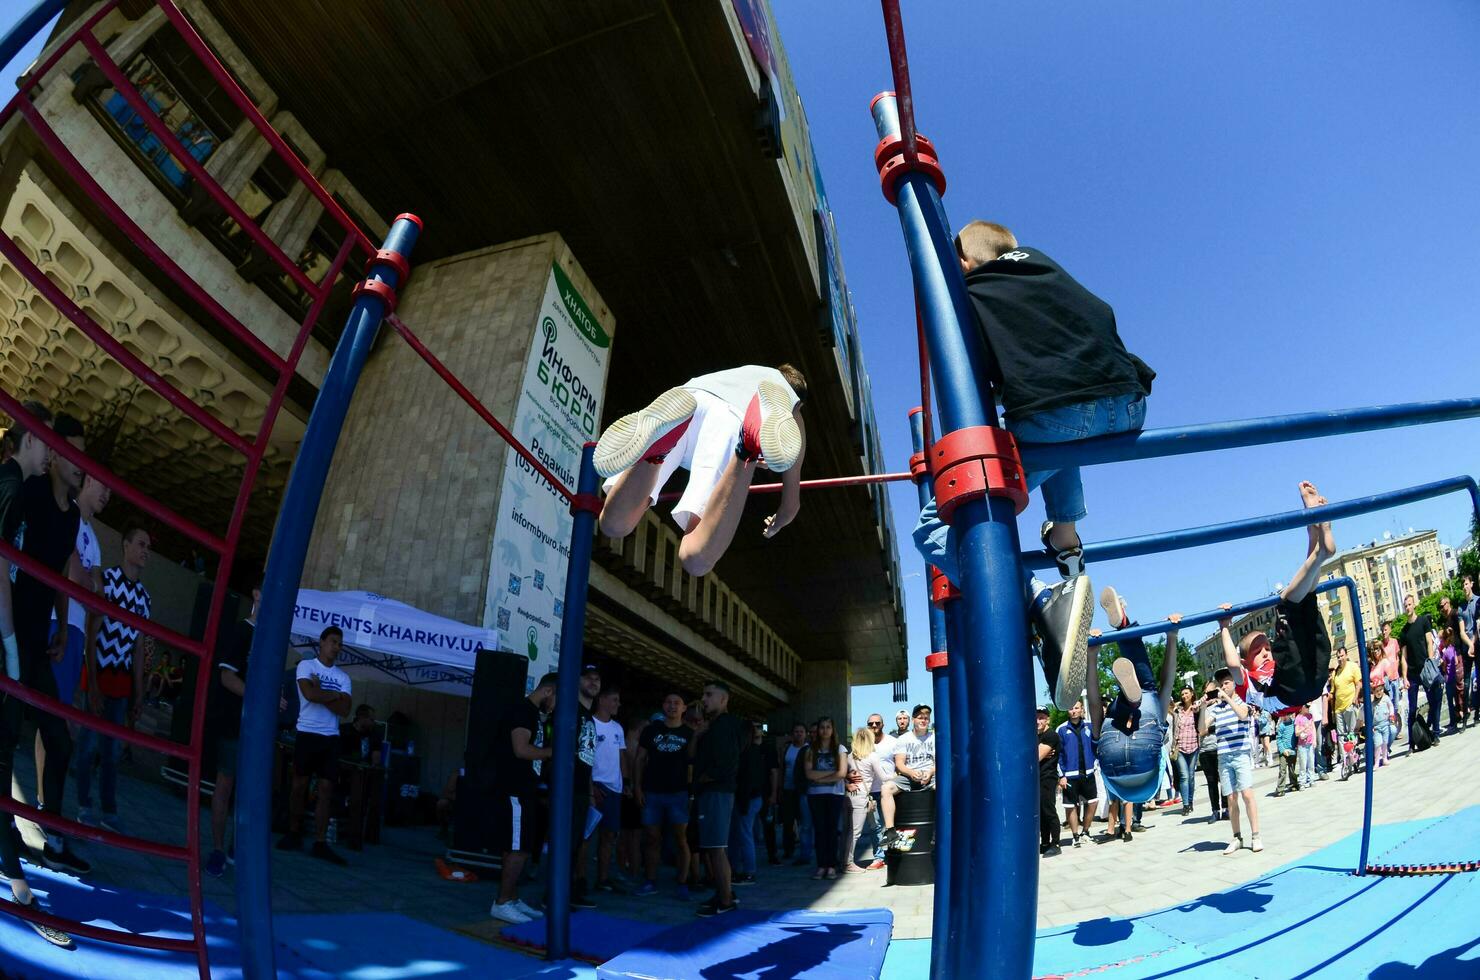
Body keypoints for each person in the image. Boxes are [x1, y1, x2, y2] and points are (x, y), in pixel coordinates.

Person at [951, 220, 1155, 579]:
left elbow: (981, 371)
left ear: (964, 262)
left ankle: (1038, 598)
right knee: (1058, 424)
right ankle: (1066, 541)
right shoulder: (1045, 267)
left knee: (935, 525)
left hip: (1059, 416)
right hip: (1130, 403)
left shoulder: (973, 290)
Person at [595, 365, 807, 577]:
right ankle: (747, 447)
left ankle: (656, 452)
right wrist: (775, 526)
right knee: (696, 559)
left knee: (613, 525)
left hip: (689, 397)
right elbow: (790, 506)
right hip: (731, 419)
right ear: (799, 403)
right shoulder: (792, 408)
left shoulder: (747, 371)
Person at [0, 404, 79, 946]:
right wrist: (6, 641)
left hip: (17, 639)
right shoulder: (13, 488)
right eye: (48, 443)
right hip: (6, 641)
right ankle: (22, 890)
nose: (52, 452)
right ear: (30, 442)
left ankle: (20, 874)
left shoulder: (40, 499)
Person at [1219, 482, 1338, 719]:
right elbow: (1232, 664)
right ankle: (1320, 552)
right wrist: (1224, 628)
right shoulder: (1246, 681)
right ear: (1246, 661)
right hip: (1288, 690)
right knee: (1286, 603)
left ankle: (1314, 527)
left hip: (1310, 674)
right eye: (1257, 651)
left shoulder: (1275, 666)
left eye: (1266, 647)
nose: (1265, 652)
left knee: (1305, 598)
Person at [76, 527, 153, 831]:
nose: (146, 550)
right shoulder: (105, 581)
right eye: (141, 543)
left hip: (122, 682)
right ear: (125, 545)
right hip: (99, 673)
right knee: (87, 745)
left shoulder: (144, 598)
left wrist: (138, 692)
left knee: (111, 751)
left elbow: (137, 647)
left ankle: (109, 809)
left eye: (148, 546)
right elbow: (92, 634)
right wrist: (93, 681)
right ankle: (84, 804)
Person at [1083, 586, 1180, 827]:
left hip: (1145, 752)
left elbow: (1167, 683)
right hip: (1112, 761)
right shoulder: (1116, 782)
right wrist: (1091, 655)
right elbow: (1095, 705)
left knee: (1151, 690)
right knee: (1117, 712)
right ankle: (1122, 623)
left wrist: (1172, 636)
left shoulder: (1151, 777)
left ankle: (1123, 623)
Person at [37, 473, 105, 803]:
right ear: (88, 481)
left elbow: (97, 594)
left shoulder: (95, 537)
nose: (107, 494)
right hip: (57, 621)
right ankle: (42, 801)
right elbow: (78, 577)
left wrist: (89, 585)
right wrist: (89, 586)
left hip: (77, 630)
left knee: (63, 713)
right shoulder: (70, 517)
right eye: (102, 484)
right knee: (53, 715)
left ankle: (48, 803)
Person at [277, 626, 352, 864]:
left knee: (326, 790)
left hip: (331, 737)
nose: (336, 647)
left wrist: (322, 691)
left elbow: (345, 709)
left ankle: (320, 842)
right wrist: (332, 694)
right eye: (333, 641)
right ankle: (294, 832)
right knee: (299, 785)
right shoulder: (306, 666)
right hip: (307, 733)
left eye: (340, 643)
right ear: (321, 642)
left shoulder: (344, 677)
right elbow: (308, 694)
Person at [488, 673, 556, 925]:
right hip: (514, 789)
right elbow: (521, 749)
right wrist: (552, 752)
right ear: (549, 691)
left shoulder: (533, 714)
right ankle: (503, 902)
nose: (556, 707)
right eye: (557, 699)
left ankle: (512, 898)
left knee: (521, 846)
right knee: (518, 848)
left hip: (524, 788)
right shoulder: (522, 710)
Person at [205, 582, 261, 878]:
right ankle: (217, 849)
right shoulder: (242, 631)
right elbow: (227, 677)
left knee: (248, 791)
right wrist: (260, 697)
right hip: (232, 721)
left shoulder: (270, 639)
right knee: (225, 785)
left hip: (257, 729)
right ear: (256, 593)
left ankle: (236, 848)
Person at [691, 680, 745, 916]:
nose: (704, 699)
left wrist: (705, 778)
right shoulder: (714, 726)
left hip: (716, 792)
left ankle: (725, 901)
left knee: (716, 847)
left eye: (709, 695)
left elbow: (728, 761)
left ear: (723, 699)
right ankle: (724, 894)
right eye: (703, 694)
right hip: (715, 792)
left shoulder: (725, 725)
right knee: (713, 847)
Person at [633, 693, 694, 898]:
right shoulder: (651, 730)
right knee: (651, 839)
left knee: (681, 839)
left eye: (677, 703)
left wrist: (692, 793)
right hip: (652, 792)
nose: (672, 706)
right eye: (668, 702)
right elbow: (640, 759)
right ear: (662, 706)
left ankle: (682, 882)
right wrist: (638, 788)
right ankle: (650, 881)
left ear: (684, 708)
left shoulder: (689, 733)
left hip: (679, 793)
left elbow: (693, 765)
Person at [1204, 667, 1261, 854]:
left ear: (1234, 683)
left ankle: (1255, 836)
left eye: (1226, 683)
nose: (1223, 687)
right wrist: (1203, 706)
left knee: (1247, 794)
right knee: (1231, 798)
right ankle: (1237, 837)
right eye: (1220, 684)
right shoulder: (1216, 709)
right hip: (1224, 756)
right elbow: (1202, 729)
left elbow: (1243, 714)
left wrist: (1227, 698)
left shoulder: (1242, 701)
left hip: (1241, 754)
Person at [880, 704, 935, 848]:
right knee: (886, 788)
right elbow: (899, 764)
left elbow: (940, 762)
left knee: (943, 786)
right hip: (909, 776)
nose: (923, 720)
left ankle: (938, 828)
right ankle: (890, 831)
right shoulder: (904, 739)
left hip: (931, 775)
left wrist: (930, 772)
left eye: (926, 718)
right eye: (920, 718)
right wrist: (911, 773)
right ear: (913, 719)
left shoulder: (934, 737)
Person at [802, 716, 849, 879]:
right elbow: (808, 773)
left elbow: (842, 773)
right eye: (822, 727)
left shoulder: (840, 749)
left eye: (828, 727)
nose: (825, 730)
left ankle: (832, 866)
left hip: (835, 795)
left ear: (833, 729)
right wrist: (832, 774)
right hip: (815, 795)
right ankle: (821, 865)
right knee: (820, 831)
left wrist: (820, 778)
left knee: (832, 830)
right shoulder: (810, 749)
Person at [590, 687, 627, 891]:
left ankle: (602, 879)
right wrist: (591, 786)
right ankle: (579, 879)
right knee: (586, 836)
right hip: (595, 786)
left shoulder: (618, 728)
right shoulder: (589, 724)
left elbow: (621, 757)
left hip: (614, 789)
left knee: (609, 836)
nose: (617, 704)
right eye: (614, 699)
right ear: (602, 700)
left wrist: (626, 783)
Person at [1398, 593, 1440, 751]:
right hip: (1413, 674)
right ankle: (1411, 744)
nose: (1408, 607)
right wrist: (1404, 677)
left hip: (1425, 669)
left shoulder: (1423, 621)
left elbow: (1429, 641)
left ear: (1414, 604)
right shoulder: (1404, 632)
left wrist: (1430, 662)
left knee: (1433, 701)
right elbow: (1403, 657)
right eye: (1406, 605)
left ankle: (1435, 734)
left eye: (1410, 604)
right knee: (1412, 708)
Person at [728, 720, 766, 885]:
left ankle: (748, 872)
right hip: (752, 798)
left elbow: (747, 781)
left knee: (743, 835)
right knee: (742, 835)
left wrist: (743, 802)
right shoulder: (755, 751)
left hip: (746, 799)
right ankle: (739, 870)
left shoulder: (745, 752)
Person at [1056, 700, 1098, 845]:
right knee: (1071, 806)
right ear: (1067, 711)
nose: (1073, 711)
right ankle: (1075, 837)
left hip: (1088, 773)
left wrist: (1095, 764)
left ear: (1081, 710)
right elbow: (1058, 754)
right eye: (1071, 708)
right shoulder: (1061, 729)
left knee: (1093, 802)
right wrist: (1061, 776)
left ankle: (1085, 831)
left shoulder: (1089, 726)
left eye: (1076, 708)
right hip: (1070, 775)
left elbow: (1095, 746)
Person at [860, 713, 896, 868]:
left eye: (877, 723)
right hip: (871, 792)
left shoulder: (893, 742)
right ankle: (879, 857)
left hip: (891, 790)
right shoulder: (863, 744)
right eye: (870, 724)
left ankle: (894, 854)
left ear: (883, 724)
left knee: (891, 824)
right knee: (875, 826)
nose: (874, 726)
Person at [777, 722, 813, 866]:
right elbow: (781, 768)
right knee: (787, 821)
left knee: (804, 822)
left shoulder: (809, 749)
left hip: (802, 790)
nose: (798, 734)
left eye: (801, 731)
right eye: (796, 731)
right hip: (788, 789)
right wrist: (779, 788)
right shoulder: (787, 749)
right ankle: (788, 849)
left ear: (806, 734)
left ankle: (805, 852)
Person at [842, 727, 873, 873]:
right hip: (860, 797)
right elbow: (883, 777)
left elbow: (841, 774)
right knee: (855, 832)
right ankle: (848, 863)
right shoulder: (871, 757)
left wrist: (847, 782)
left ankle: (841, 859)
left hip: (847, 796)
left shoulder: (848, 757)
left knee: (846, 830)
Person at [1329, 646, 1363, 773]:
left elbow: (1358, 683)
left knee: (1351, 734)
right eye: (1338, 657)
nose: (1340, 659)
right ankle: (1345, 760)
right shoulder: (1335, 672)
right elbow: (1333, 692)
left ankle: (1353, 756)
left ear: (1346, 655)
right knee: (1341, 736)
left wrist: (1355, 697)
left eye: (1341, 656)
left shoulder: (1352, 667)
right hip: (1339, 708)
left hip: (1349, 704)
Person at [1170, 689, 1201, 816]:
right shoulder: (1178, 711)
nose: (1184, 696)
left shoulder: (1196, 709)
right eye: (1182, 694)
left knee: (1191, 775)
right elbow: (1173, 728)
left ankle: (1190, 801)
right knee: (1184, 776)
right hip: (1180, 747)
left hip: (1194, 746)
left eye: (1186, 693)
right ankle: (1185, 804)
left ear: (1192, 694)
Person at [1036, 708, 1062, 857]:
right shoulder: (1034, 736)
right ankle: (1045, 842)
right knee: (1040, 811)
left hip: (1047, 777)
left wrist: (1038, 751)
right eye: (1036, 718)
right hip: (1037, 778)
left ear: (1048, 720)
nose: (1038, 721)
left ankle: (1056, 843)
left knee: (1048, 809)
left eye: (1041, 718)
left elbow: (1036, 757)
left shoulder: (1051, 735)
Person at [1197, 682, 1224, 822]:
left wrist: (1210, 729)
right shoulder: (1202, 709)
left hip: (1220, 747)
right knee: (1211, 781)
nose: (1210, 696)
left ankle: (1226, 808)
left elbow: (1222, 724)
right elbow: (1199, 730)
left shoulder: (1222, 706)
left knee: (1224, 779)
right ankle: (1215, 810)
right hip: (1205, 749)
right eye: (1207, 693)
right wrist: (1201, 707)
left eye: (1212, 692)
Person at [1460, 576, 1480, 726]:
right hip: (1467, 645)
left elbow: (1478, 625)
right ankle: (1466, 712)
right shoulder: (1461, 607)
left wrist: (1473, 643)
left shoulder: (1478, 601)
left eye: (1467, 584)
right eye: (1463, 585)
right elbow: (1462, 631)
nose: (1465, 587)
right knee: (1466, 681)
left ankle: (1477, 711)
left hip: (1477, 643)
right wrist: (1469, 644)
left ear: (1471, 584)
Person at [1439, 628, 1461, 736]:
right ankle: (1459, 717)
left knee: (1450, 702)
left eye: (1441, 640)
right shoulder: (1453, 649)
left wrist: (1444, 665)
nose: (1440, 642)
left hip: (1448, 679)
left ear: (1445, 640)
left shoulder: (1445, 652)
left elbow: (1443, 667)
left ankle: (1453, 722)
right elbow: (1456, 661)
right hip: (1455, 676)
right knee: (1456, 699)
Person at [1272, 711, 1299, 797]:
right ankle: (1280, 788)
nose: (1284, 717)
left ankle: (1294, 784)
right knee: (1282, 770)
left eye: (1285, 715)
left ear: (1289, 715)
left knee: (1292, 769)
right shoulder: (1281, 726)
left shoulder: (1294, 724)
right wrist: (1282, 750)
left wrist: (1296, 746)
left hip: (1292, 750)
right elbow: (1279, 739)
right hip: (1284, 752)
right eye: (1282, 715)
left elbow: (1295, 736)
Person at [1371, 684, 1395, 768]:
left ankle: (1384, 758)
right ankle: (1377, 761)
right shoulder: (1373, 703)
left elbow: (1391, 706)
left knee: (1385, 742)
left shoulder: (1386, 699)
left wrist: (1391, 715)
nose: (1379, 692)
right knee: (1377, 744)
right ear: (1373, 692)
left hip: (1385, 724)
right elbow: (1370, 714)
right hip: (1376, 727)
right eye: (1377, 691)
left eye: (1381, 690)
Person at [1295, 705, 1317, 789]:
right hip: (1302, 745)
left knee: (1311, 762)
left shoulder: (1310, 716)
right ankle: (1302, 782)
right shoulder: (1298, 718)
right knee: (1303, 764)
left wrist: (1315, 740)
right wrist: (1303, 729)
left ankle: (1312, 779)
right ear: (1302, 707)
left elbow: (1313, 728)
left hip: (1310, 743)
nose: (1308, 708)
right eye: (1306, 706)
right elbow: (1296, 733)